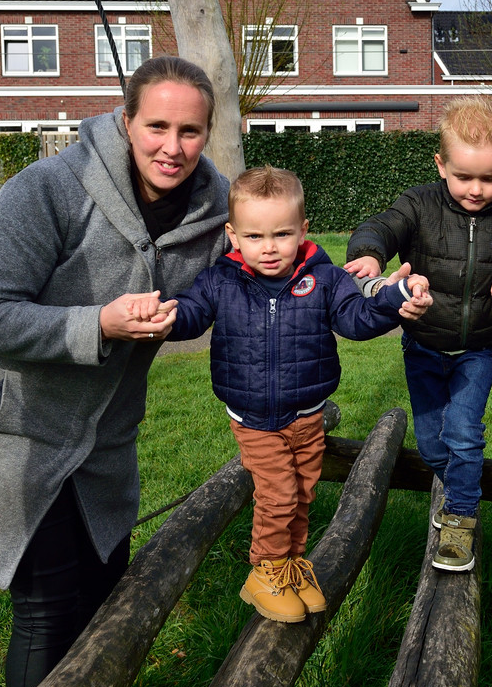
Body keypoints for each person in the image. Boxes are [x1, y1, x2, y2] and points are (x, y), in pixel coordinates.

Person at [0, 56, 232, 687]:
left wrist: (360, 285)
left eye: (190, 131)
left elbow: (271, 268)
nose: (172, 147)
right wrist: (97, 325)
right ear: (125, 121)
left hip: (104, 441)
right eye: (156, 126)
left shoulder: (216, 211)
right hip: (14, 430)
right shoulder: (45, 190)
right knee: (49, 612)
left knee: (104, 598)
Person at [162, 166, 432, 623]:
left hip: (308, 413)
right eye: (255, 236)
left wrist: (395, 298)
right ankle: (263, 573)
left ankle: (289, 565)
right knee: (279, 494)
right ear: (233, 235)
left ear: (303, 230)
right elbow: (190, 313)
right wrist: (166, 314)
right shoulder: (221, 281)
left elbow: (356, 319)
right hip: (253, 417)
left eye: (282, 234)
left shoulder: (323, 279)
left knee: (303, 493)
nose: (269, 247)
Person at [343, 96, 492, 573]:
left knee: (464, 434)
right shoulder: (418, 205)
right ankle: (458, 487)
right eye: (464, 176)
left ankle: (461, 519)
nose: (476, 189)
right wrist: (370, 253)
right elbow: (382, 227)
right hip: (424, 344)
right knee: (433, 446)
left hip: (481, 349)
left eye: (489, 179)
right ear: (441, 164)